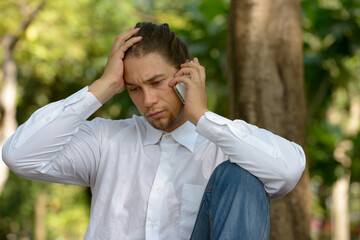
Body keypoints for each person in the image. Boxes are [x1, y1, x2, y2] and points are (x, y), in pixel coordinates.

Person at [2, 22, 306, 240]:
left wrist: (202, 117)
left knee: (240, 176)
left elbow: (289, 170)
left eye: (157, 82)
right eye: (134, 88)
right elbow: (20, 155)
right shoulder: (106, 140)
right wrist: (101, 88)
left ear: (185, 73)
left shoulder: (222, 145)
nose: (147, 101)